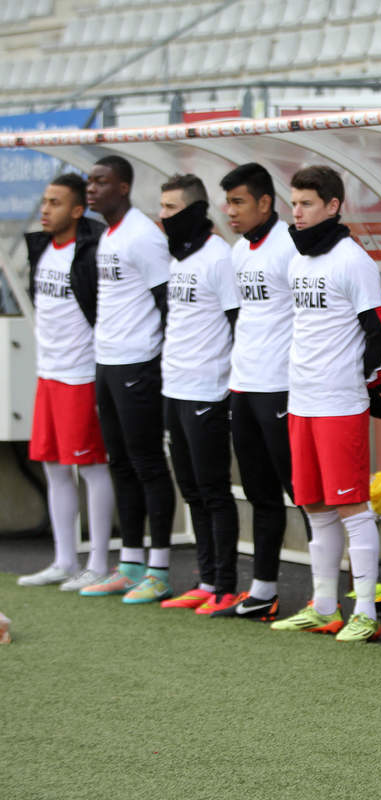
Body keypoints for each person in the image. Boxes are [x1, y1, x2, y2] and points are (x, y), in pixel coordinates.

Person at [269, 165, 381, 643]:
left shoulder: (354, 260)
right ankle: (324, 607)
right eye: (294, 203)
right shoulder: (297, 261)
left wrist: (362, 385)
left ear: (333, 206)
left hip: (340, 404)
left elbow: (379, 336)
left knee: (352, 508)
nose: (297, 213)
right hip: (301, 401)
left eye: (306, 203)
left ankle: (365, 612)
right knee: (315, 507)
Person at [139, 174, 241, 612]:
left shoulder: (220, 257)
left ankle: (227, 585)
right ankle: (206, 579)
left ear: (196, 211)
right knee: (192, 490)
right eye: (161, 207)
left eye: (172, 208)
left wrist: (231, 387)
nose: (163, 216)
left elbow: (238, 324)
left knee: (214, 489)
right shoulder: (178, 257)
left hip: (208, 391)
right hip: (174, 388)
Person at [79, 155, 176, 601]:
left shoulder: (143, 235)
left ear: (123, 187)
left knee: (147, 463)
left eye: (101, 181)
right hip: (107, 361)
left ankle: (160, 570)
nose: (91, 188)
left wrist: (160, 361)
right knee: (119, 462)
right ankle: (131, 563)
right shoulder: (109, 235)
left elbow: (166, 303)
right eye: (89, 181)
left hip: (139, 363)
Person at [211, 162, 303, 621]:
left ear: (265, 203)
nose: (230, 211)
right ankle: (263, 592)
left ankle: (327, 597)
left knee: (302, 492)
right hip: (243, 386)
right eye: (227, 202)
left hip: (281, 387)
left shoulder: (290, 245)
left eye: (238, 201)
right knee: (259, 492)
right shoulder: (238, 250)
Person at [17, 173, 116, 592]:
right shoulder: (41, 249)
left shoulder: (90, 253)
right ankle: (63, 560)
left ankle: (99, 562)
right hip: (48, 374)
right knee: (53, 466)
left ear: (77, 210)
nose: (45, 209)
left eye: (55, 203)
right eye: (44, 201)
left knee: (91, 466)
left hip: (81, 375)